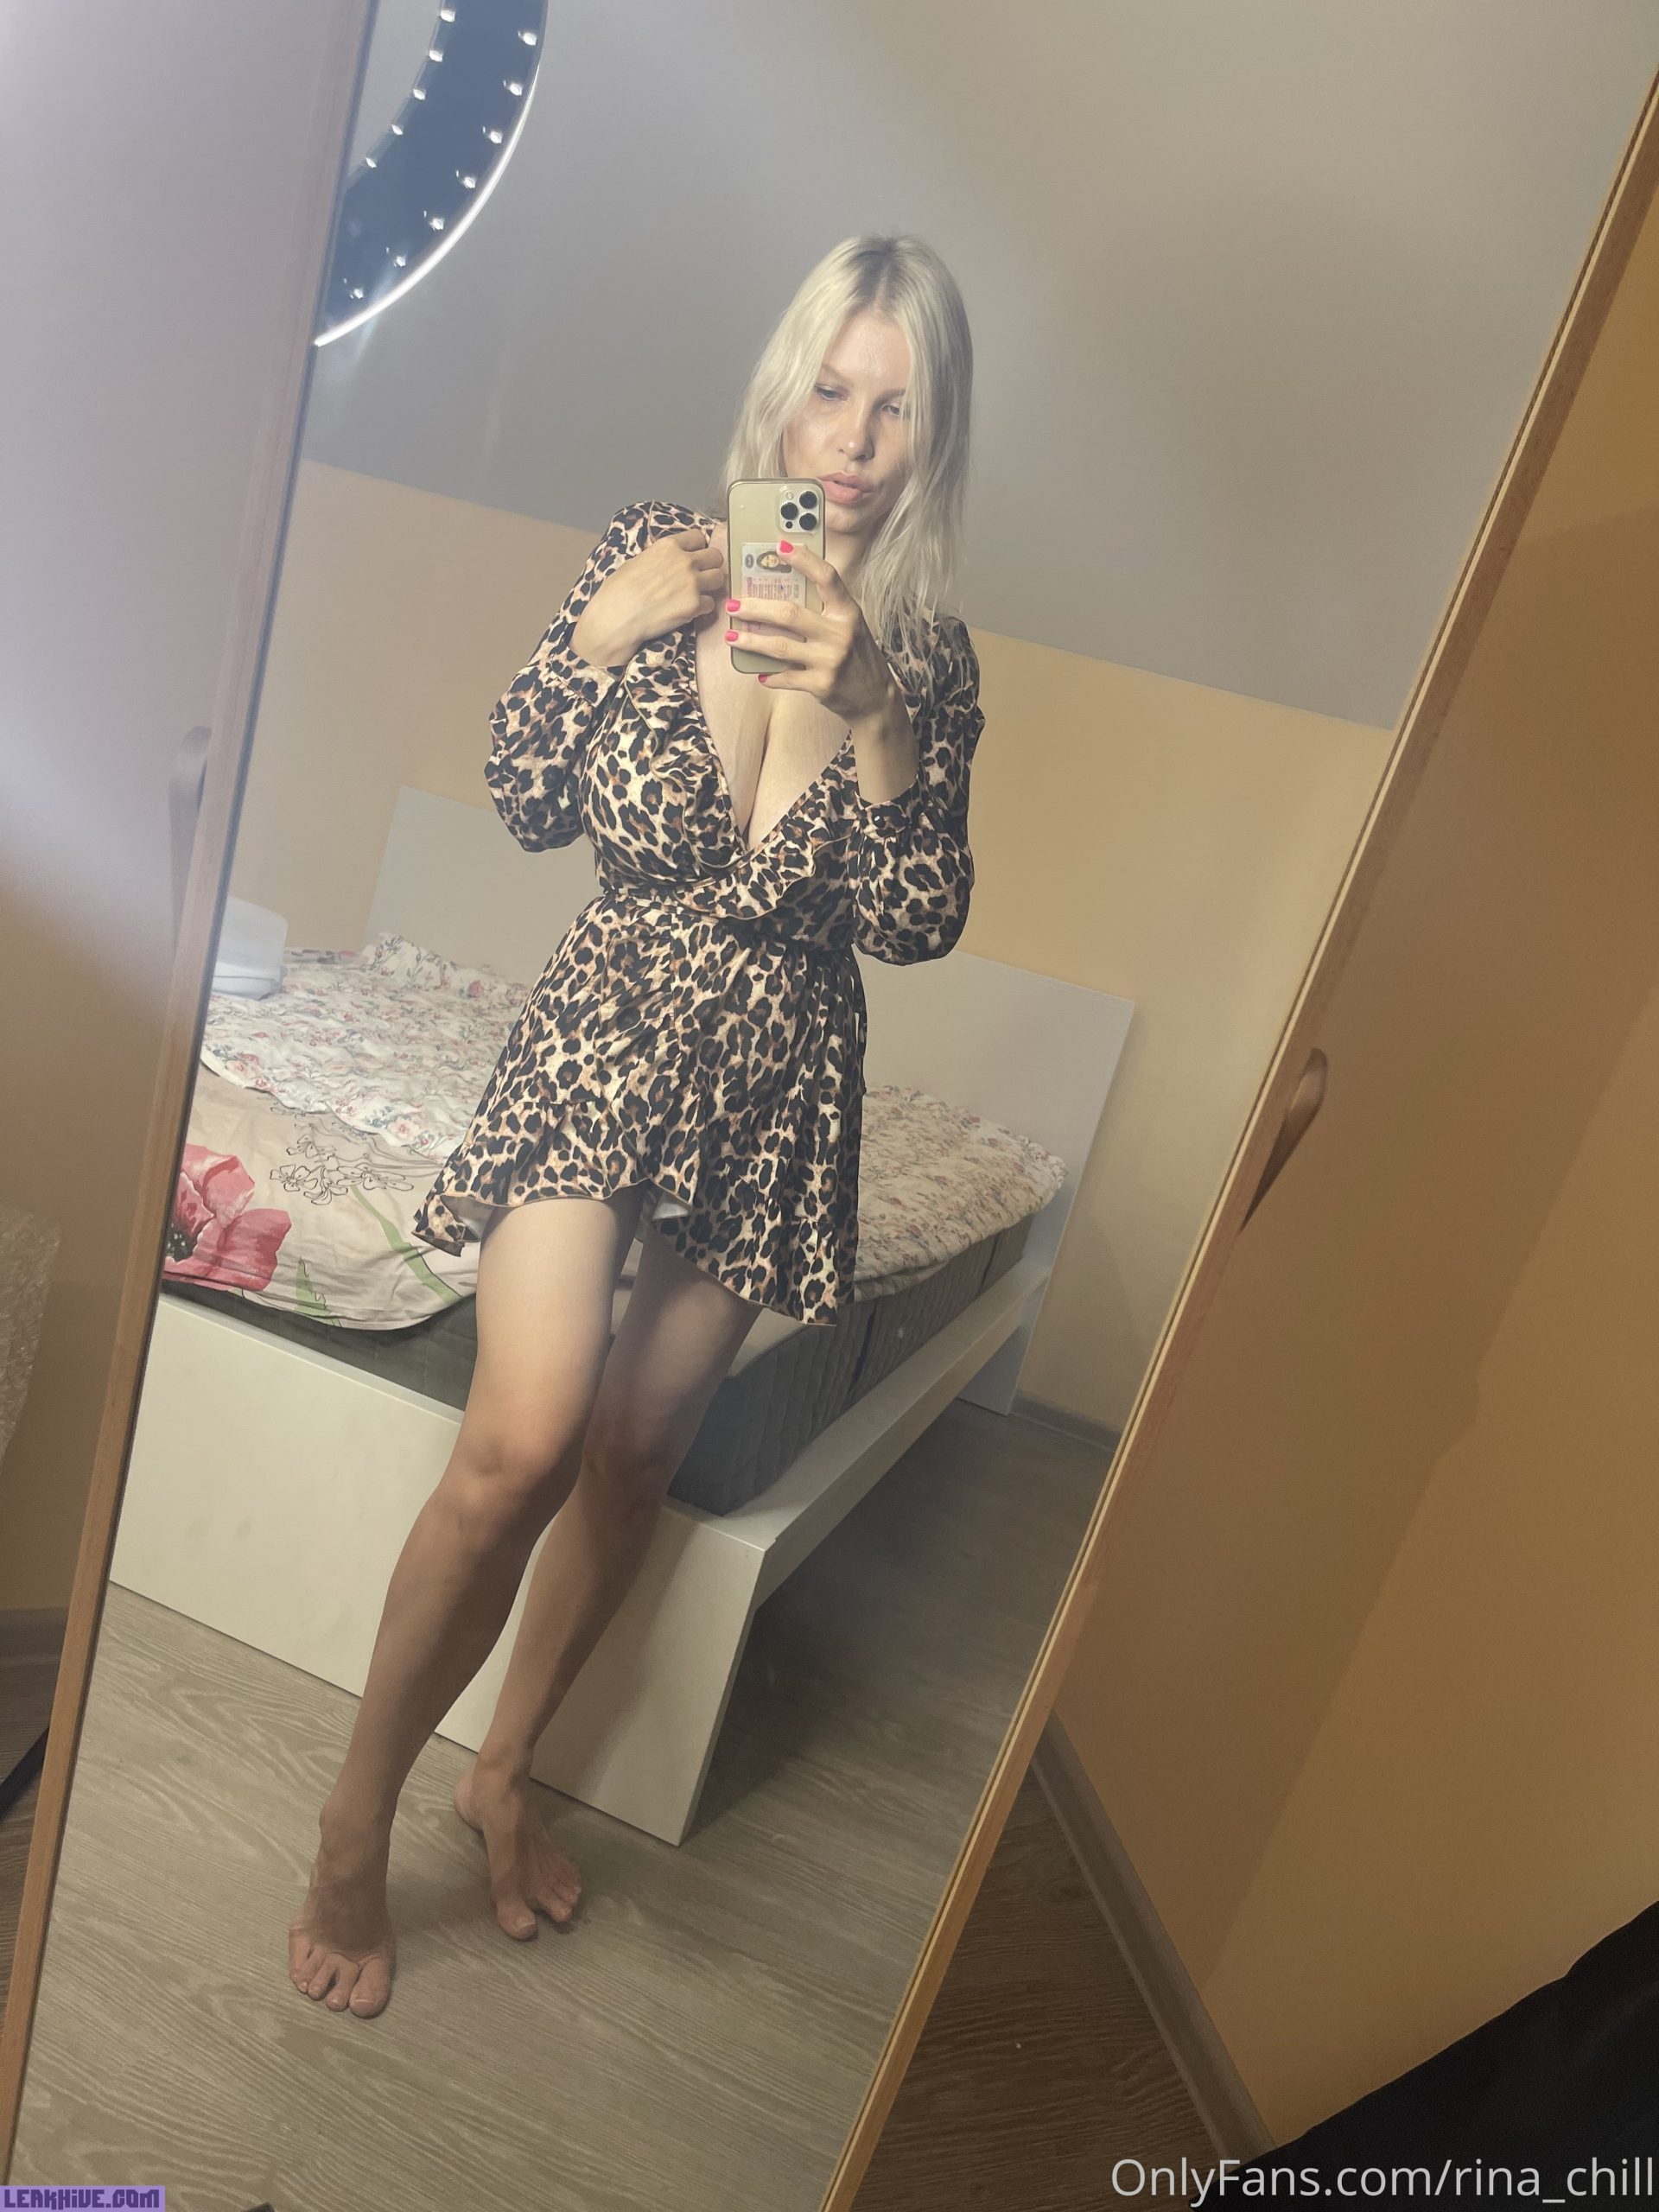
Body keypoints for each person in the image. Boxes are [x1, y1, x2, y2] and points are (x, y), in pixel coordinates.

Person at [287, 234, 984, 2018]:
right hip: (604, 1033)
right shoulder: (657, 555)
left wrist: (880, 715)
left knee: (634, 1452)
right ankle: (354, 1822)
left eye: (898, 407)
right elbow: (526, 796)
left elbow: (916, 919)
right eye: (831, 389)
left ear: (937, 431)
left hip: (780, 1076)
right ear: (783, 390)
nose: (855, 440)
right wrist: (594, 633)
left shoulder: (924, 657)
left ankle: (502, 1768)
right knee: (523, 1437)